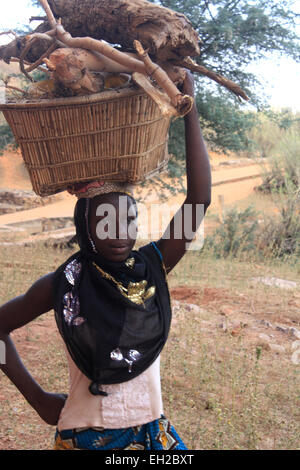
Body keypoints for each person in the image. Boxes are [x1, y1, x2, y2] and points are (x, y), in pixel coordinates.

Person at [0, 71, 211, 450]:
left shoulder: (152, 266)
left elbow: (198, 202)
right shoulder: (62, 284)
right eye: (105, 221)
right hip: (86, 435)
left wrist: (189, 110)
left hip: (152, 432)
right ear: (85, 225)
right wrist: (37, 399)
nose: (120, 232)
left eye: (128, 220)